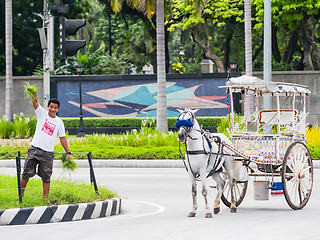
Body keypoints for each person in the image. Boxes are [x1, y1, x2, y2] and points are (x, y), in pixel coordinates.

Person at [20, 91, 71, 202]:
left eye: (55, 108)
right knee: (26, 174)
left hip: (48, 153)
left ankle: (45, 199)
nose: (53, 109)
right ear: (48, 106)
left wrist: (68, 152)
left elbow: (62, 138)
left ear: (58, 109)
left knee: (46, 177)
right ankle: (20, 196)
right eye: (51, 107)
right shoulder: (42, 113)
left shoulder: (59, 122)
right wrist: (33, 93)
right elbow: (35, 102)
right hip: (34, 149)